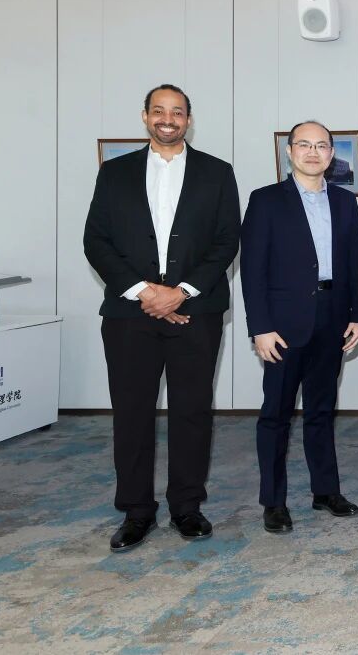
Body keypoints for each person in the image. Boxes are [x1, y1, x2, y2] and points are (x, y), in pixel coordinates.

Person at [83, 84, 240, 552]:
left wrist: (180, 293)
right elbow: (96, 241)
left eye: (176, 112)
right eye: (158, 111)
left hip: (196, 312)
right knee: (132, 414)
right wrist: (145, 292)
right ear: (145, 117)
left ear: (189, 119)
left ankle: (187, 507)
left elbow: (227, 241)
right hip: (130, 315)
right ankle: (136, 511)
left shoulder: (217, 172)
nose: (167, 119)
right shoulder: (114, 173)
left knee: (193, 411)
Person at [241, 120, 358, 534]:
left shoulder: (345, 202)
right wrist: (260, 327)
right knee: (275, 415)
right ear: (289, 151)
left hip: (333, 319)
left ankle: (325, 491)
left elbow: (355, 264)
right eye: (305, 145)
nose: (313, 152)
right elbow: (252, 270)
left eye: (322, 146)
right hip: (282, 325)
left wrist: (357, 314)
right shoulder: (265, 200)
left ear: (331, 154)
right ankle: (273, 501)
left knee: (321, 411)